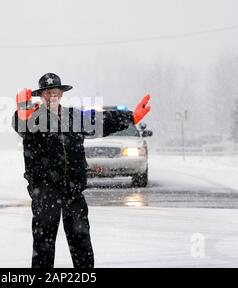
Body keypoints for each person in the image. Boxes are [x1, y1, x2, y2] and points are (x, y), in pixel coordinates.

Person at [12, 73, 151, 268]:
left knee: (81, 242)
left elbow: (101, 120)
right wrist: (22, 112)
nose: (52, 95)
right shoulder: (33, 117)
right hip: (44, 192)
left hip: (73, 191)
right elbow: (20, 127)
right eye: (47, 92)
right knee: (43, 245)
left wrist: (130, 117)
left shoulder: (74, 116)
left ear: (61, 94)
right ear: (41, 95)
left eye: (56, 91)